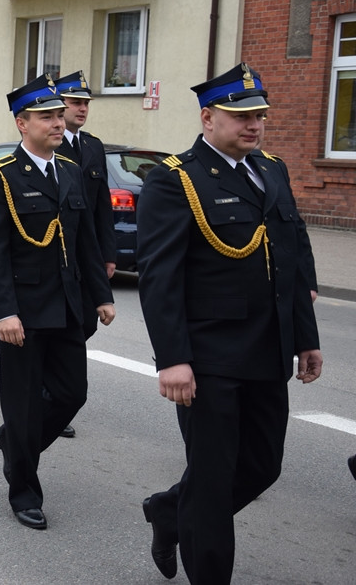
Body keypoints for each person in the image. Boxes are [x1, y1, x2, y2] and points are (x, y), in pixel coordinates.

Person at [137, 63, 322, 584]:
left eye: (259, 115)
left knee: (263, 466)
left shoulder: (272, 170)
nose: (254, 125)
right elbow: (160, 279)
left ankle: (171, 511)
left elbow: (291, 258)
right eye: (241, 116)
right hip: (209, 355)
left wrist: (306, 339)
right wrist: (172, 359)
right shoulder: (176, 181)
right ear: (208, 117)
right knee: (214, 483)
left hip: (268, 349)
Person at [0, 74, 115, 530]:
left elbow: (86, 241)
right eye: (48, 117)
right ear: (22, 123)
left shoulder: (71, 172)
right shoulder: (1, 178)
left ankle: (14, 444)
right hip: (24, 310)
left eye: (60, 115)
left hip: (67, 306)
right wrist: (4, 311)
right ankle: (24, 490)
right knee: (23, 403)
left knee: (73, 393)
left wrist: (101, 295)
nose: (59, 123)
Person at [54, 70, 118, 438]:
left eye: (85, 103)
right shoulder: (50, 142)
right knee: (64, 325)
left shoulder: (92, 146)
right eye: (75, 102)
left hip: (87, 252)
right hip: (58, 249)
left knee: (88, 323)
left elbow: (102, 208)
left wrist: (107, 254)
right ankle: (53, 393)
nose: (82, 109)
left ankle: (56, 383)